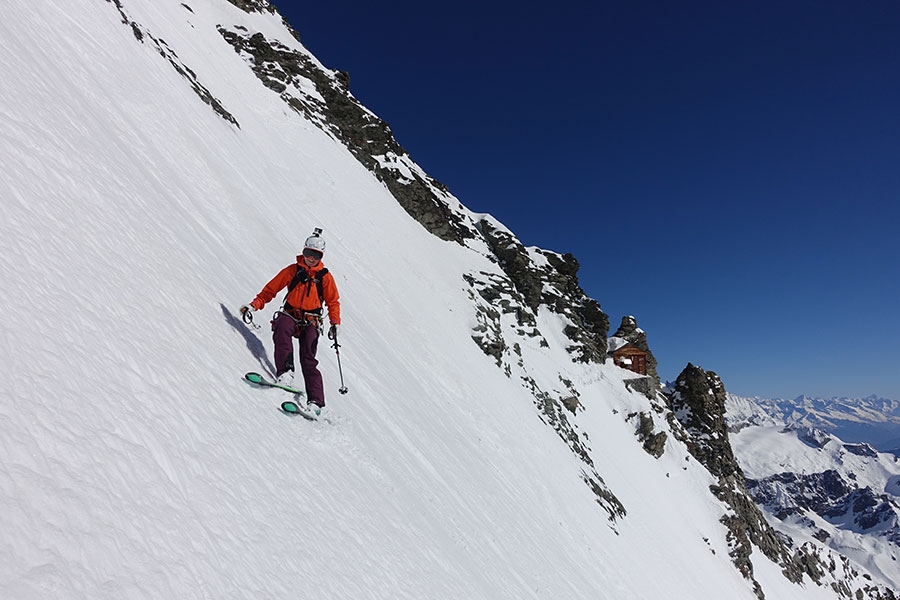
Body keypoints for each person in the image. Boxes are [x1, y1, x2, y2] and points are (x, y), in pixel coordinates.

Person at [241, 230, 341, 414]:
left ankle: (316, 402)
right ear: (303, 252)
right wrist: (254, 305)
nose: (311, 258)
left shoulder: (325, 277)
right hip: (291, 314)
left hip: (311, 320)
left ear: (321, 256)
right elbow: (271, 289)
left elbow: (333, 301)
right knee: (282, 327)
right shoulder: (292, 270)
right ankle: (285, 373)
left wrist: (335, 323)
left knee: (308, 357)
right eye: (308, 253)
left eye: (316, 255)